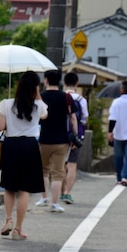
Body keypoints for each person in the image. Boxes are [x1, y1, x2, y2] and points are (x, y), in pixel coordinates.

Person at [0, 71, 48, 240]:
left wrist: (5, 113)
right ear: (35, 88)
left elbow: (0, 127)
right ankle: (18, 229)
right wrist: (38, 94)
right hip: (30, 146)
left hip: (11, 146)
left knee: (10, 187)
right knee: (24, 190)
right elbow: (45, 115)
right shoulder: (38, 106)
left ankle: (8, 220)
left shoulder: (6, 104)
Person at [36, 69, 78, 212]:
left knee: (44, 170)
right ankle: (55, 203)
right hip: (61, 140)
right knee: (58, 172)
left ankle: (43, 198)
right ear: (60, 81)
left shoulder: (40, 97)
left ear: (45, 80)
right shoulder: (66, 97)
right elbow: (73, 118)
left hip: (44, 139)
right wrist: (75, 135)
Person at [60, 72, 89, 204]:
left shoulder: (61, 97)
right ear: (77, 83)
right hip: (76, 136)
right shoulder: (81, 100)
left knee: (60, 165)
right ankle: (67, 193)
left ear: (64, 83)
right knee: (72, 165)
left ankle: (60, 192)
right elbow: (84, 119)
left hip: (60, 135)